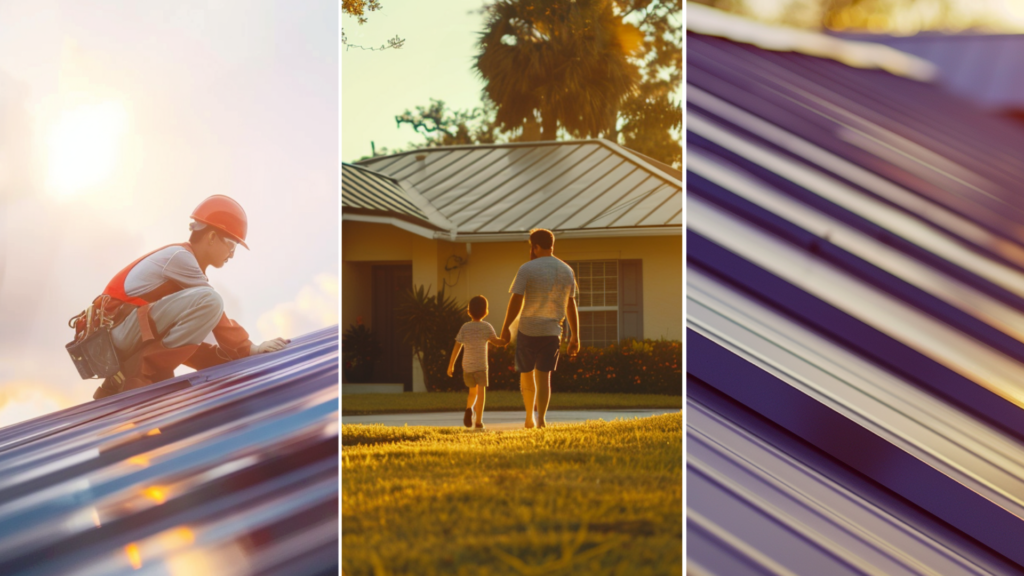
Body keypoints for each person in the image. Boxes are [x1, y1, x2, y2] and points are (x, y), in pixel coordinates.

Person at [86, 195, 289, 400]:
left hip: (124, 336)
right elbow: (216, 316)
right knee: (211, 301)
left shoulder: (188, 281)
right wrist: (250, 349)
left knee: (207, 313)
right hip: (114, 336)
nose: (232, 255)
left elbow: (196, 335)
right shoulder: (180, 258)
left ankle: (119, 382)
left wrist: (225, 360)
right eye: (231, 245)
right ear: (211, 237)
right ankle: (137, 374)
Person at [499, 228, 580, 429]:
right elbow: (571, 304)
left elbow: (516, 299)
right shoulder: (567, 270)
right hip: (552, 331)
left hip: (528, 329)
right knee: (544, 377)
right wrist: (575, 336)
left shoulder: (527, 268)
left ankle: (529, 417)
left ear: (535, 246)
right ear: (552, 245)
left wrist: (506, 327)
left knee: (526, 374)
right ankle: (542, 419)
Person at [447, 295, 507, 429]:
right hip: (481, 366)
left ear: (469, 311)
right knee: (481, 394)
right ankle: (479, 422)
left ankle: (469, 408)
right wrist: (505, 341)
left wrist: (451, 365)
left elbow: (457, 346)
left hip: (467, 366)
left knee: (472, 393)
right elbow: (496, 342)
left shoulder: (465, 327)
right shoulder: (486, 327)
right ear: (486, 311)